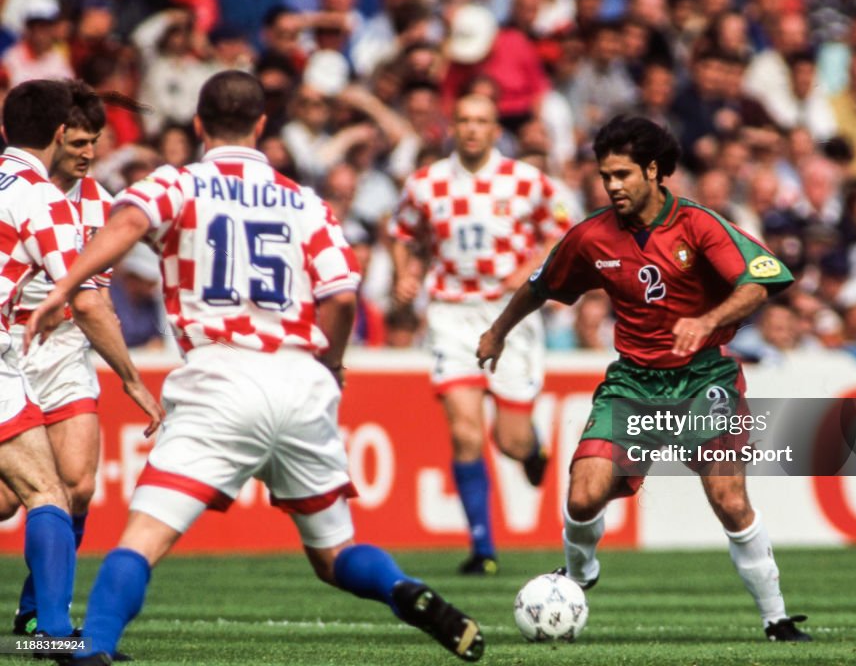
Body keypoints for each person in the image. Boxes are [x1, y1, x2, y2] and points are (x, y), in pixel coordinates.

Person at [26, 71, 484, 665]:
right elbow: (343, 296)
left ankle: (94, 648)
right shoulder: (305, 201)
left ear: (198, 124)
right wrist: (335, 364)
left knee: (141, 541)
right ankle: (404, 589)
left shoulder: (179, 183)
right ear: (262, 127)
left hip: (220, 375)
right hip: (300, 380)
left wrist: (63, 284)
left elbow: (130, 223)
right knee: (334, 553)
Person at [476, 116, 812, 641]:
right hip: (633, 384)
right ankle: (581, 572)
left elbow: (759, 282)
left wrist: (707, 320)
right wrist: (497, 332)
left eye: (622, 174)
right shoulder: (591, 236)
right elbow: (539, 285)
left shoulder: (698, 225)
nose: (611, 186)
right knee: (582, 497)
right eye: (605, 175)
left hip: (705, 379)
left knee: (729, 500)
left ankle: (777, 618)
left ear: (654, 171)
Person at [0, 80, 163, 642]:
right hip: (13, 343)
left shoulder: (98, 201)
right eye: (78, 142)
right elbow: (84, 296)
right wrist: (134, 379)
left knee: (76, 485)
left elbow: (95, 296)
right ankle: (49, 623)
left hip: (64, 349)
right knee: (14, 498)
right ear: (57, 134)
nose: (87, 153)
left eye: (95, 142)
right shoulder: (36, 195)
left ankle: (38, 614)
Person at [389, 94, 567, 575]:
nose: (471, 129)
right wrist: (406, 275)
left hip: (512, 314)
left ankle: (532, 448)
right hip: (451, 313)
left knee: (508, 441)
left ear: (495, 130)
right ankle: (482, 548)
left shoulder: (527, 181)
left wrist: (532, 268)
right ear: (453, 126)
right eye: (463, 120)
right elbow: (402, 234)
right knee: (465, 433)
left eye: (481, 121)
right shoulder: (425, 184)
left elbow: (563, 234)